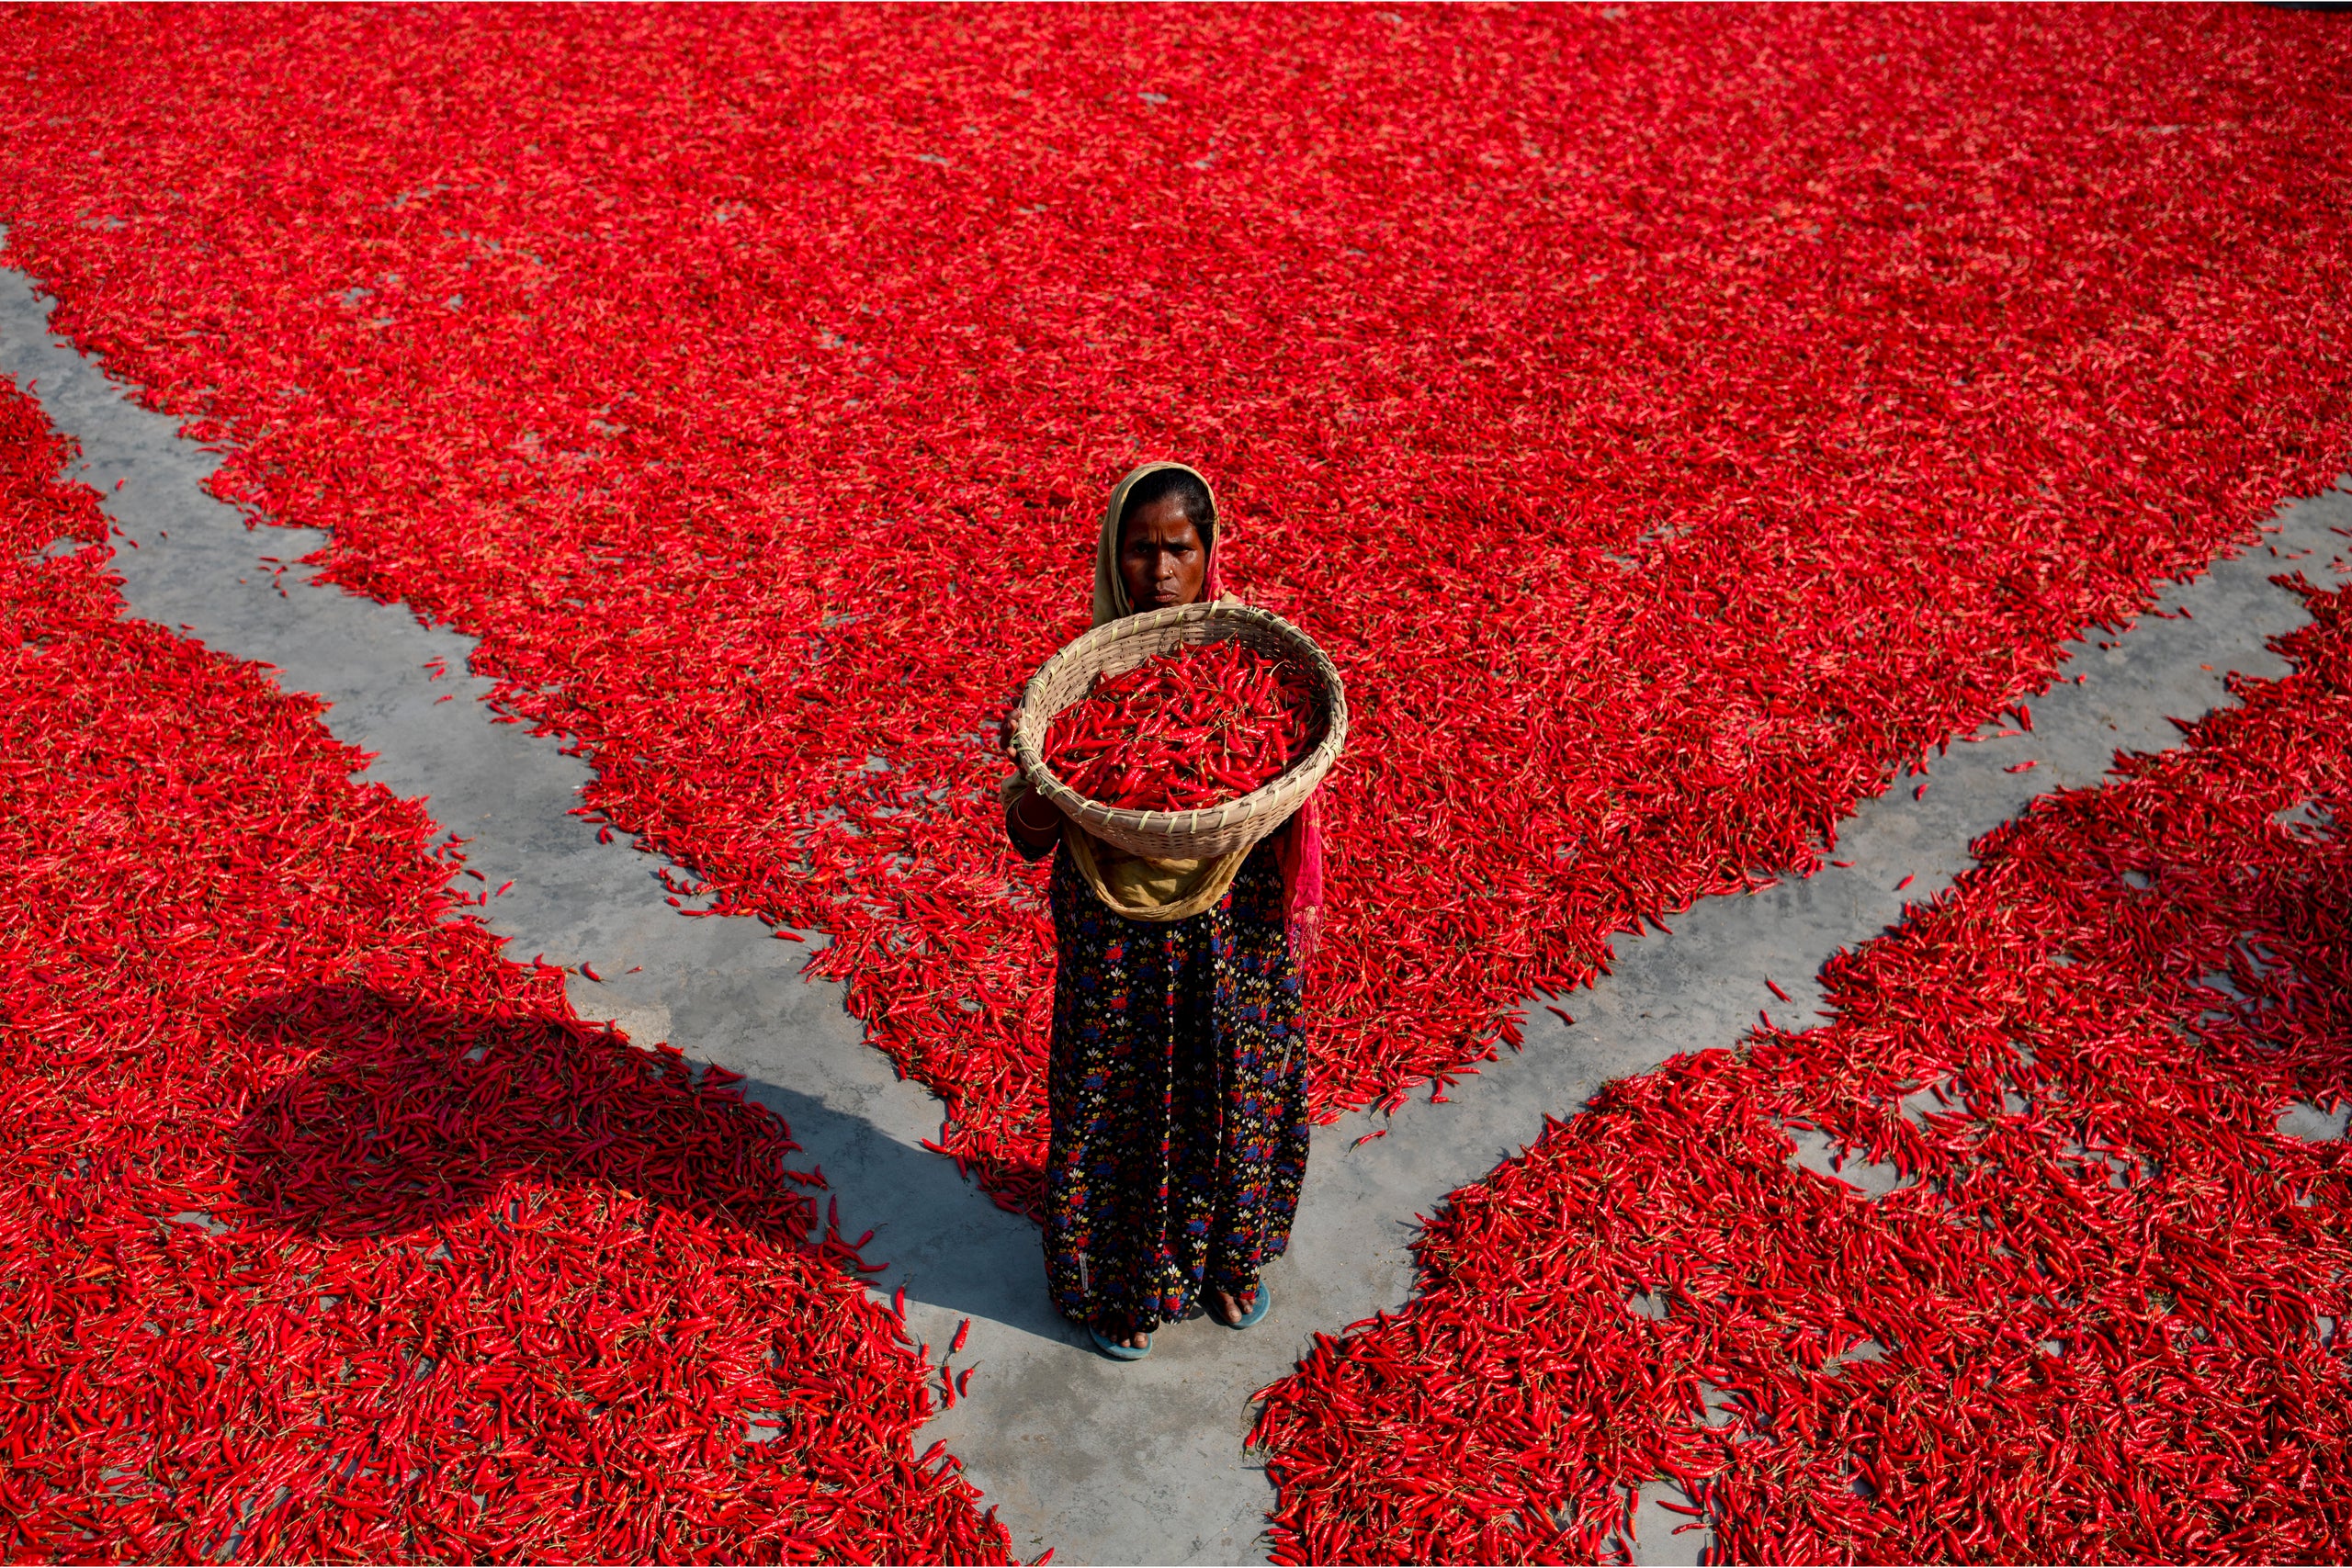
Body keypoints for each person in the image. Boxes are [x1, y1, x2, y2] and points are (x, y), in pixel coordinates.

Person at [1002, 461, 1324, 1360]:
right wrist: (1050, 789)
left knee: (1236, 1085)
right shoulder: (1072, 691)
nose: (1159, 572)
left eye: (1178, 548)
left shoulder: (1253, 667)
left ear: (1208, 551)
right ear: (1113, 558)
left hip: (1233, 932)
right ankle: (1120, 1285)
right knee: (1120, 1100)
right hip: (1114, 940)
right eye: (1138, 551)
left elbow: (1290, 774)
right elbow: (1024, 832)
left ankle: (1230, 1260)